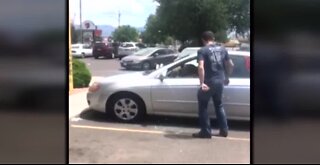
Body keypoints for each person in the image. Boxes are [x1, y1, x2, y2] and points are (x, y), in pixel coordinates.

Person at [192, 31, 234, 139]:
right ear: (213, 38)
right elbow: (231, 64)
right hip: (220, 80)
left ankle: (205, 131)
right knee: (219, 105)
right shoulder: (223, 49)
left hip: (209, 81)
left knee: (203, 106)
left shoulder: (202, 50)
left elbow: (201, 67)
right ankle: (224, 130)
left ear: (203, 40)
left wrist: (202, 83)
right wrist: (227, 77)